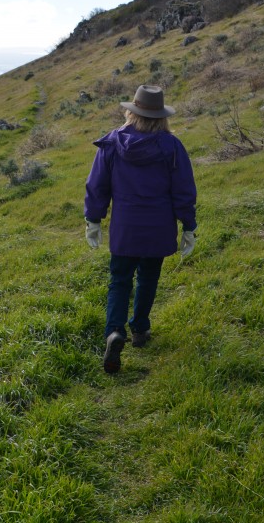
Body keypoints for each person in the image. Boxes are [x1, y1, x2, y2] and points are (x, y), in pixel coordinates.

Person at [84, 84, 197, 374]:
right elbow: (184, 189)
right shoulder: (172, 146)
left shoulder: (112, 142)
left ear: (131, 110)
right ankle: (140, 330)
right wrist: (188, 225)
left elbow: (97, 186)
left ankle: (114, 331)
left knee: (119, 280)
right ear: (162, 115)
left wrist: (93, 219)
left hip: (125, 227)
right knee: (148, 278)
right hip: (158, 226)